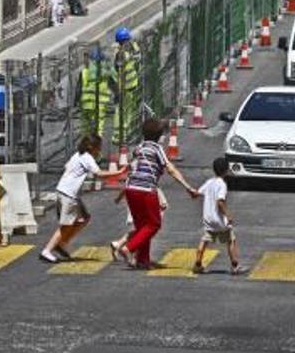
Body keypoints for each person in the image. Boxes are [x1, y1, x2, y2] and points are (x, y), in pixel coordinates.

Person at [115, 119, 195, 269]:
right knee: (154, 224)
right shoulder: (157, 149)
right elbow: (170, 169)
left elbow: (132, 170)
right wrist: (188, 187)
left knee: (142, 227)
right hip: (146, 190)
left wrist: (121, 194)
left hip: (131, 189)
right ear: (159, 135)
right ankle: (128, 248)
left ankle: (142, 260)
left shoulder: (138, 148)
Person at [39, 134, 125, 263]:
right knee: (66, 225)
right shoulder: (87, 158)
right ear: (91, 147)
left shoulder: (77, 155)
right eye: (98, 148)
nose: (99, 151)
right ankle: (47, 250)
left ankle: (61, 244)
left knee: (83, 218)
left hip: (65, 191)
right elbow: (99, 174)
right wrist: (119, 173)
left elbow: (67, 167)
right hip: (68, 194)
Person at [184, 158, 246, 275]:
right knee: (230, 240)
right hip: (220, 220)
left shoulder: (209, 182)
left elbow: (197, 194)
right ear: (226, 171)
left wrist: (191, 191)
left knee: (205, 240)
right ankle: (235, 265)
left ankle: (198, 264)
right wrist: (228, 215)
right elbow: (220, 201)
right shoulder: (222, 184)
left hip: (208, 220)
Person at [76, 48, 118, 139]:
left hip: (86, 104)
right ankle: (95, 147)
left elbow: (78, 89)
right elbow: (114, 85)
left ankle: (86, 145)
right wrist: (117, 96)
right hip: (100, 104)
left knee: (86, 128)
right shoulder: (106, 72)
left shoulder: (84, 72)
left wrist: (75, 102)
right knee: (98, 127)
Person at [112, 27, 141, 146]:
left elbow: (120, 69)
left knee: (124, 111)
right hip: (128, 86)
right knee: (124, 111)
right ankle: (121, 134)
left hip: (128, 86)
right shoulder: (127, 51)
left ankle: (122, 134)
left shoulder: (124, 52)